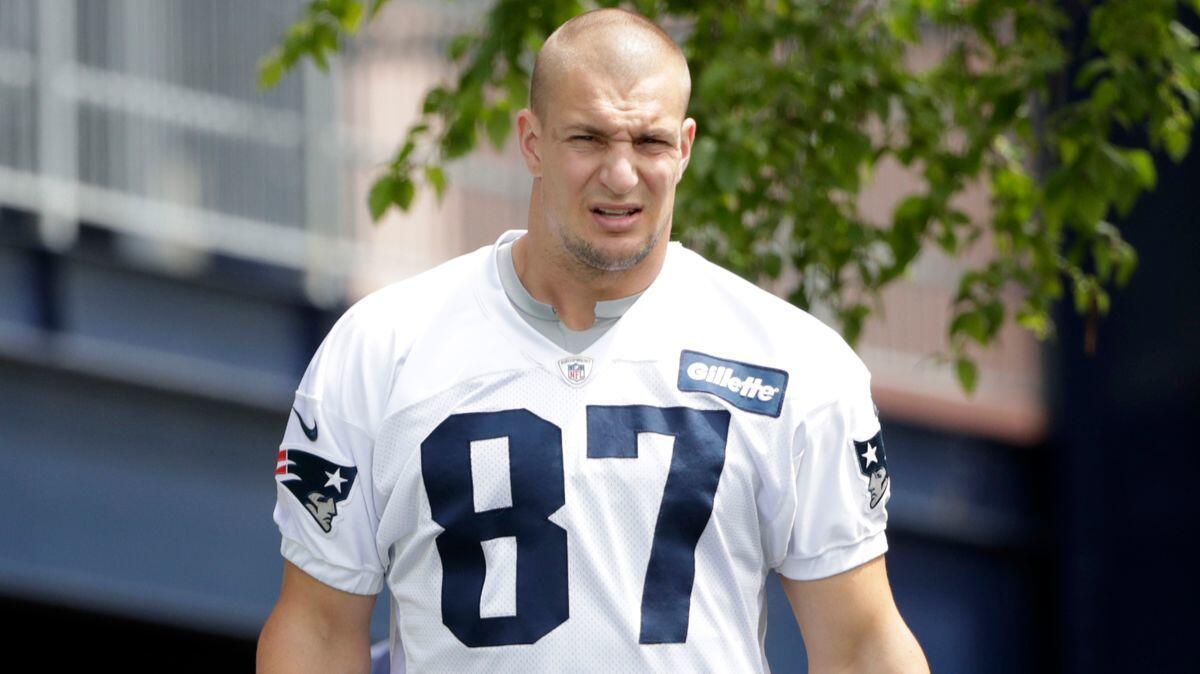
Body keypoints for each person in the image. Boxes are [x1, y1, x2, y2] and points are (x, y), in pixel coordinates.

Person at [257, 7, 928, 673]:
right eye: (589, 138)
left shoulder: (793, 364)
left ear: (686, 147)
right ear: (531, 140)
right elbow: (316, 630)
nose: (620, 174)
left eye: (650, 142)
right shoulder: (380, 350)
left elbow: (862, 642)